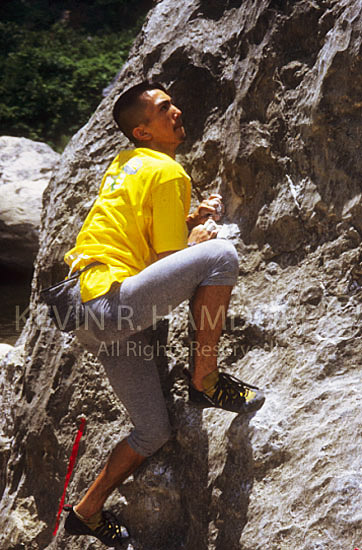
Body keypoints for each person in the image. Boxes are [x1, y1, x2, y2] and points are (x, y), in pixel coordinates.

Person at [62, 81, 265, 547]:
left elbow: (154, 253)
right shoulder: (169, 172)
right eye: (163, 107)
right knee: (221, 257)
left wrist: (189, 223)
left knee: (152, 431)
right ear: (143, 130)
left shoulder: (126, 163)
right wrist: (201, 237)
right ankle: (206, 381)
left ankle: (86, 511)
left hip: (86, 313)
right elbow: (173, 260)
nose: (176, 110)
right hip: (111, 304)